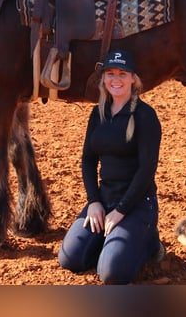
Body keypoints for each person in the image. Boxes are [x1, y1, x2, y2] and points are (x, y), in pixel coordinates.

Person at [58, 49, 164, 284]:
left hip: (136, 204)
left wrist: (121, 210)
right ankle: (111, 242)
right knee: (70, 259)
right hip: (105, 200)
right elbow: (88, 159)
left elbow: (147, 170)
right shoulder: (98, 113)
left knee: (111, 274)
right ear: (103, 78)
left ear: (133, 79)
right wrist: (94, 202)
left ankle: (148, 241)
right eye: (110, 73)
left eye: (123, 74)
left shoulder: (146, 116)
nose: (116, 80)